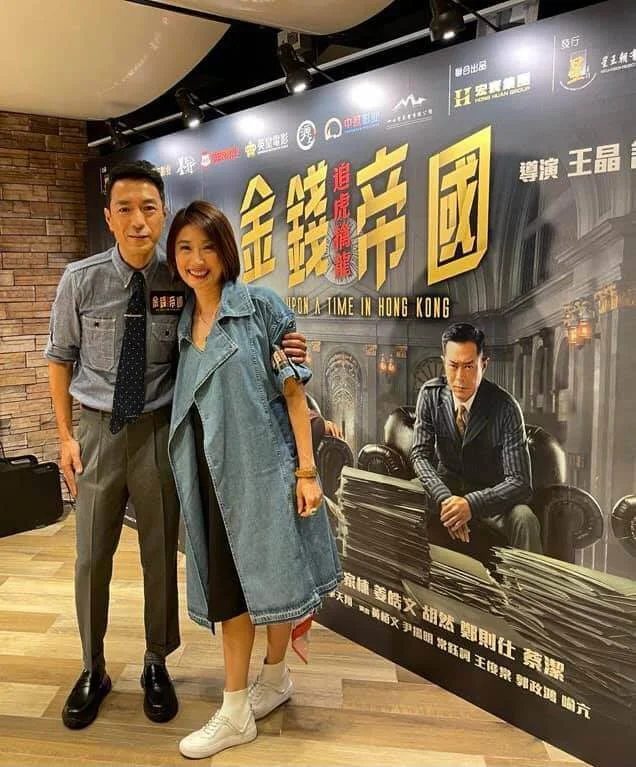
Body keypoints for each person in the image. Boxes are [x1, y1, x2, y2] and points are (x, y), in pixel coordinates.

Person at [45, 161, 307, 730]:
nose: (138, 221)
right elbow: (59, 360)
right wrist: (64, 437)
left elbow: (228, 317)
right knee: (91, 556)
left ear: (162, 213)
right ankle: (92, 667)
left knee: (161, 553)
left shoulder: (181, 278)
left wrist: (285, 340)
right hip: (97, 433)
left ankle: (155, 661)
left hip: (161, 433)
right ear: (108, 217)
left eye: (148, 208)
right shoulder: (80, 280)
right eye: (125, 209)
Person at [165, 201, 342, 760]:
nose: (196, 259)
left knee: (266, 581)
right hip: (210, 475)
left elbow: (294, 393)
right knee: (235, 590)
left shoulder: (260, 306)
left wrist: (307, 472)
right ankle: (264, 685)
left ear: (226, 251)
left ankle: (241, 705)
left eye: (207, 247)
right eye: (185, 248)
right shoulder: (181, 324)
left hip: (263, 472)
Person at [410, 322, 541, 553]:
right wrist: (445, 500)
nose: (460, 377)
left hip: (491, 496)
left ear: (484, 364)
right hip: (445, 487)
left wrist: (470, 505)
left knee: (525, 519)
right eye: (453, 366)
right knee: (404, 495)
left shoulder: (506, 407)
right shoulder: (430, 395)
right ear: (444, 362)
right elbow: (420, 456)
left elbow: (520, 482)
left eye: (469, 366)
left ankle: (528, 579)